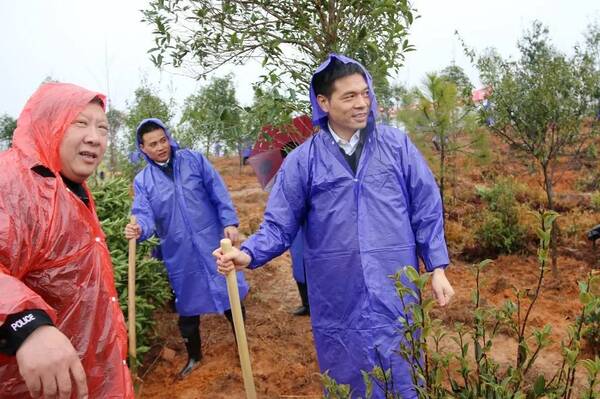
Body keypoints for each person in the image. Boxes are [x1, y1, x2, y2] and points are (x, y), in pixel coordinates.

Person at [214, 54, 455, 398]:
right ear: (323, 102)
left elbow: (426, 207)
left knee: (402, 367)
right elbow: (279, 224)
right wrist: (248, 254)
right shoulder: (303, 161)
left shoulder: (396, 146)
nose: (361, 104)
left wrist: (437, 267)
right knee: (347, 370)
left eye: (365, 94)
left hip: (395, 281)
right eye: (349, 96)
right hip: (337, 291)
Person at [0, 83, 134, 398]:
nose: (95, 137)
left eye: (103, 128)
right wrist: (26, 324)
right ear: (50, 122)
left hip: (91, 377)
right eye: (81, 123)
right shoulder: (17, 182)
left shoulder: (68, 188)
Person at [124, 118, 249, 379]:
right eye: (152, 144)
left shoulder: (193, 160)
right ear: (142, 149)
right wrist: (140, 229)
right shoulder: (143, 181)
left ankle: (242, 343)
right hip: (179, 252)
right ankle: (194, 356)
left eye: (162, 140)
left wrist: (229, 221)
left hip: (211, 242)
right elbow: (143, 213)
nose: (160, 147)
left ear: (168, 137)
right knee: (187, 306)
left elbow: (218, 191)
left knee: (229, 294)